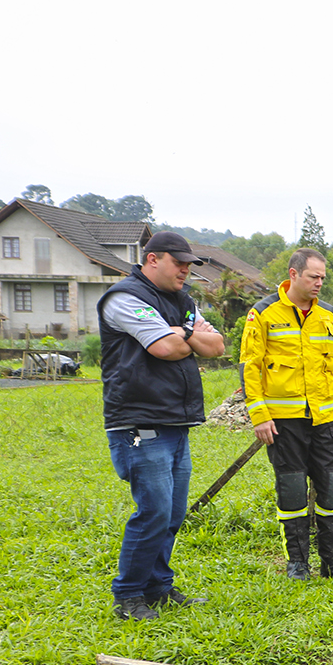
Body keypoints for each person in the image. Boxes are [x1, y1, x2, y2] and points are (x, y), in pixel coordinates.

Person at [98, 230, 227, 621]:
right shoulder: (124, 298)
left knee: (172, 512)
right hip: (139, 422)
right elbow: (164, 348)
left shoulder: (183, 301)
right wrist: (189, 336)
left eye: (190, 265)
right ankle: (129, 594)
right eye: (179, 263)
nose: (186, 270)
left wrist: (183, 331)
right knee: (153, 510)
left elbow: (218, 346)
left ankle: (158, 587)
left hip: (175, 420)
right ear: (152, 259)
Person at [240, 248, 333, 579]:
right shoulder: (263, 313)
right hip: (283, 423)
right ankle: (297, 564)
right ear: (293, 275)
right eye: (313, 276)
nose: (320, 283)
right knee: (291, 492)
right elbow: (251, 367)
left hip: (326, 421)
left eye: (323, 277)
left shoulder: (331, 316)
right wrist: (259, 415)